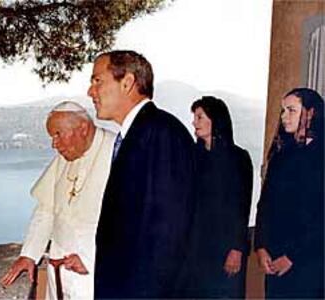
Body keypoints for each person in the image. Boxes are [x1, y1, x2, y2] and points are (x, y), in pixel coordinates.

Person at [87, 50, 195, 298]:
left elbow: (168, 237)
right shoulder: (137, 134)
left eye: (97, 81)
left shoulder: (162, 133)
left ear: (127, 82)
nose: (90, 92)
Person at [0, 101, 116, 299]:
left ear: (83, 128)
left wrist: (94, 259)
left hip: (97, 276)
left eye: (58, 134)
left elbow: (136, 224)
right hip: (59, 272)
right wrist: (29, 254)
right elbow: (46, 208)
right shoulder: (66, 156)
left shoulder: (119, 152)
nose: (54, 144)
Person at [254, 88, 324, 298]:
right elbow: (264, 205)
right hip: (274, 259)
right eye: (283, 110)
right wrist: (261, 246)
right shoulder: (280, 156)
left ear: (310, 113)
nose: (284, 116)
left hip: (311, 264)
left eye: (291, 110)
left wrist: (293, 256)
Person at [186, 96, 253, 298]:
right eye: (194, 117)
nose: (194, 122)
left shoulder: (238, 158)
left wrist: (237, 248)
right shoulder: (191, 156)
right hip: (195, 247)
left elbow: (242, 206)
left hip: (225, 248)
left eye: (199, 117)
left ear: (215, 119)